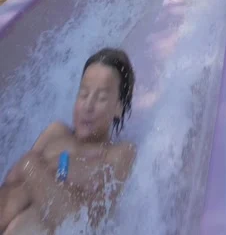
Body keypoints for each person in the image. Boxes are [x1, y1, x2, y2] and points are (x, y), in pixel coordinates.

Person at [0, 48, 136, 234]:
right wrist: (59, 168)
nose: (88, 106)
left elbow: (88, 222)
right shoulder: (56, 132)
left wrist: (43, 167)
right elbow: (11, 181)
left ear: (118, 108)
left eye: (101, 98)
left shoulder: (119, 152)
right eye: (83, 94)